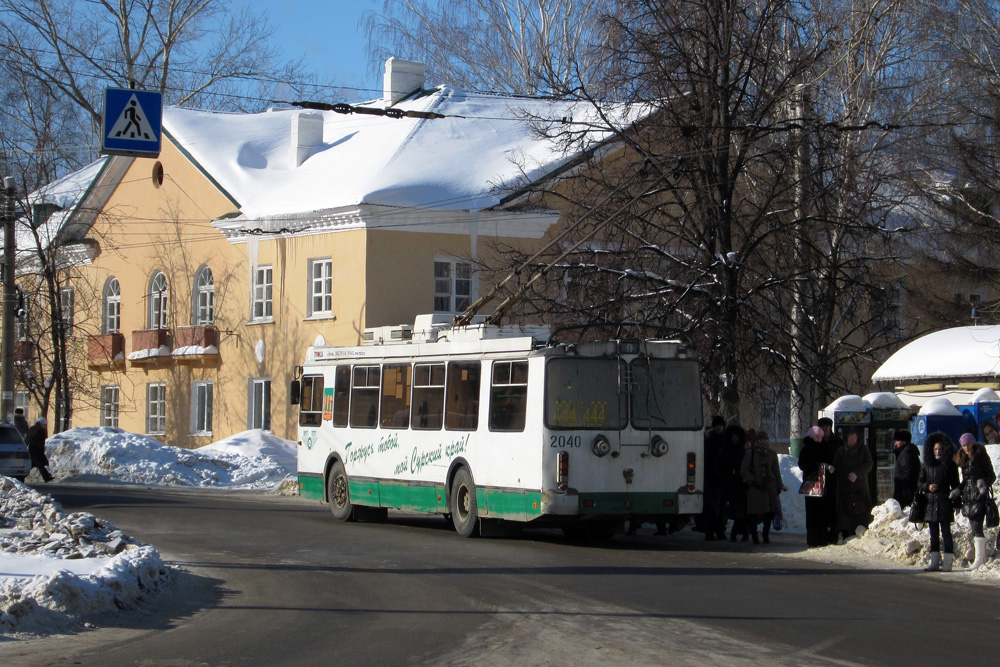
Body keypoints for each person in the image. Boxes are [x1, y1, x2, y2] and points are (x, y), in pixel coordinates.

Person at [918, 433, 960, 572]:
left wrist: (957, 504)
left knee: (946, 533)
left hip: (944, 501)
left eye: (940, 449)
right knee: (933, 534)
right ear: (931, 450)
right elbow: (920, 482)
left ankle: (947, 564)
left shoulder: (950, 465)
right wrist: (928, 487)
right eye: (935, 449)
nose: (938, 452)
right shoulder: (926, 465)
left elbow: (956, 485)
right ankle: (934, 562)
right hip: (930, 503)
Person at [955, 432, 997, 570]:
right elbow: (965, 480)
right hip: (967, 497)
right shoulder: (963, 459)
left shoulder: (981, 457)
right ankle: (982, 557)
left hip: (979, 496)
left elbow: (992, 476)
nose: (966, 447)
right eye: (963, 445)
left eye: (968, 444)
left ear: (973, 444)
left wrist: (983, 485)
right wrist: (958, 490)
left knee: (977, 526)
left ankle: (979, 559)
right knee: (973, 527)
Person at [741, 430, 784, 544]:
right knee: (754, 512)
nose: (763, 442)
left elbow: (776, 471)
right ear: (757, 441)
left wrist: (779, 485)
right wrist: (751, 481)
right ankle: (754, 535)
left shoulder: (772, 453)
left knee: (769, 512)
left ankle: (765, 534)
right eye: (760, 439)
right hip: (756, 486)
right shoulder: (751, 453)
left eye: (765, 439)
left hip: (769, 487)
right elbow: (744, 470)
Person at [797, 425, 835, 547]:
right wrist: (817, 465)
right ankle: (813, 540)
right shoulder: (806, 449)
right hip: (811, 486)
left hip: (824, 486)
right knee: (812, 513)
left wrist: (828, 467)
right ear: (811, 437)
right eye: (816, 437)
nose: (819, 439)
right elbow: (803, 465)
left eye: (820, 436)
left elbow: (831, 461)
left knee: (824, 512)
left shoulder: (825, 447)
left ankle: (823, 539)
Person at [832, 430, 873, 541]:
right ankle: (846, 535)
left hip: (860, 486)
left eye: (854, 437)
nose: (852, 439)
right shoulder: (841, 451)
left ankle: (861, 533)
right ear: (846, 438)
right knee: (845, 513)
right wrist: (847, 475)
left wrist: (857, 474)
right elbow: (836, 466)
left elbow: (869, 464)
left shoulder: (863, 449)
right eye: (850, 437)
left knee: (861, 511)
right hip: (845, 486)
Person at [716, 423, 749, 542]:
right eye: (733, 437)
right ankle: (726, 531)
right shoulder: (724, 451)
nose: (735, 439)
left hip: (741, 485)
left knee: (740, 510)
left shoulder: (743, 452)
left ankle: (738, 533)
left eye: (737, 437)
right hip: (727, 485)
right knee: (726, 510)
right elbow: (718, 467)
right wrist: (724, 478)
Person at [699, 415, 727, 540]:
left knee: (721, 507)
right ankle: (710, 531)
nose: (719, 427)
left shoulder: (725, 439)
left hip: (721, 478)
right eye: (717, 425)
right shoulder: (708, 439)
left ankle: (720, 530)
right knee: (711, 507)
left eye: (721, 425)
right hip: (711, 477)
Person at [817, 417, 844, 543]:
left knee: (835, 507)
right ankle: (823, 534)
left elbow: (843, 461)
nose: (824, 428)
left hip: (835, 479)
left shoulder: (838, 442)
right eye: (822, 426)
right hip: (820, 480)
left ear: (830, 427)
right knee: (821, 508)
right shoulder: (816, 441)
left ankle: (834, 534)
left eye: (826, 426)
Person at [891, 429, 921, 509]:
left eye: (897, 441)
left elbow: (909, 472)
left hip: (905, 492)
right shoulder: (905, 452)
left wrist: (903, 484)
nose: (895, 443)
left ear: (904, 441)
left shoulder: (907, 452)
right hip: (904, 490)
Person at [25, 417, 53, 483]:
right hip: (38, 449)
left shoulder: (32, 428)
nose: (45, 426)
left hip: (32, 448)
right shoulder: (41, 430)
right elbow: (41, 441)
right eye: (44, 425)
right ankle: (46, 477)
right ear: (42, 424)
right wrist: (41, 449)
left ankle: (47, 476)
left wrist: (25, 445)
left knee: (35, 464)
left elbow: (27, 438)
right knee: (40, 464)